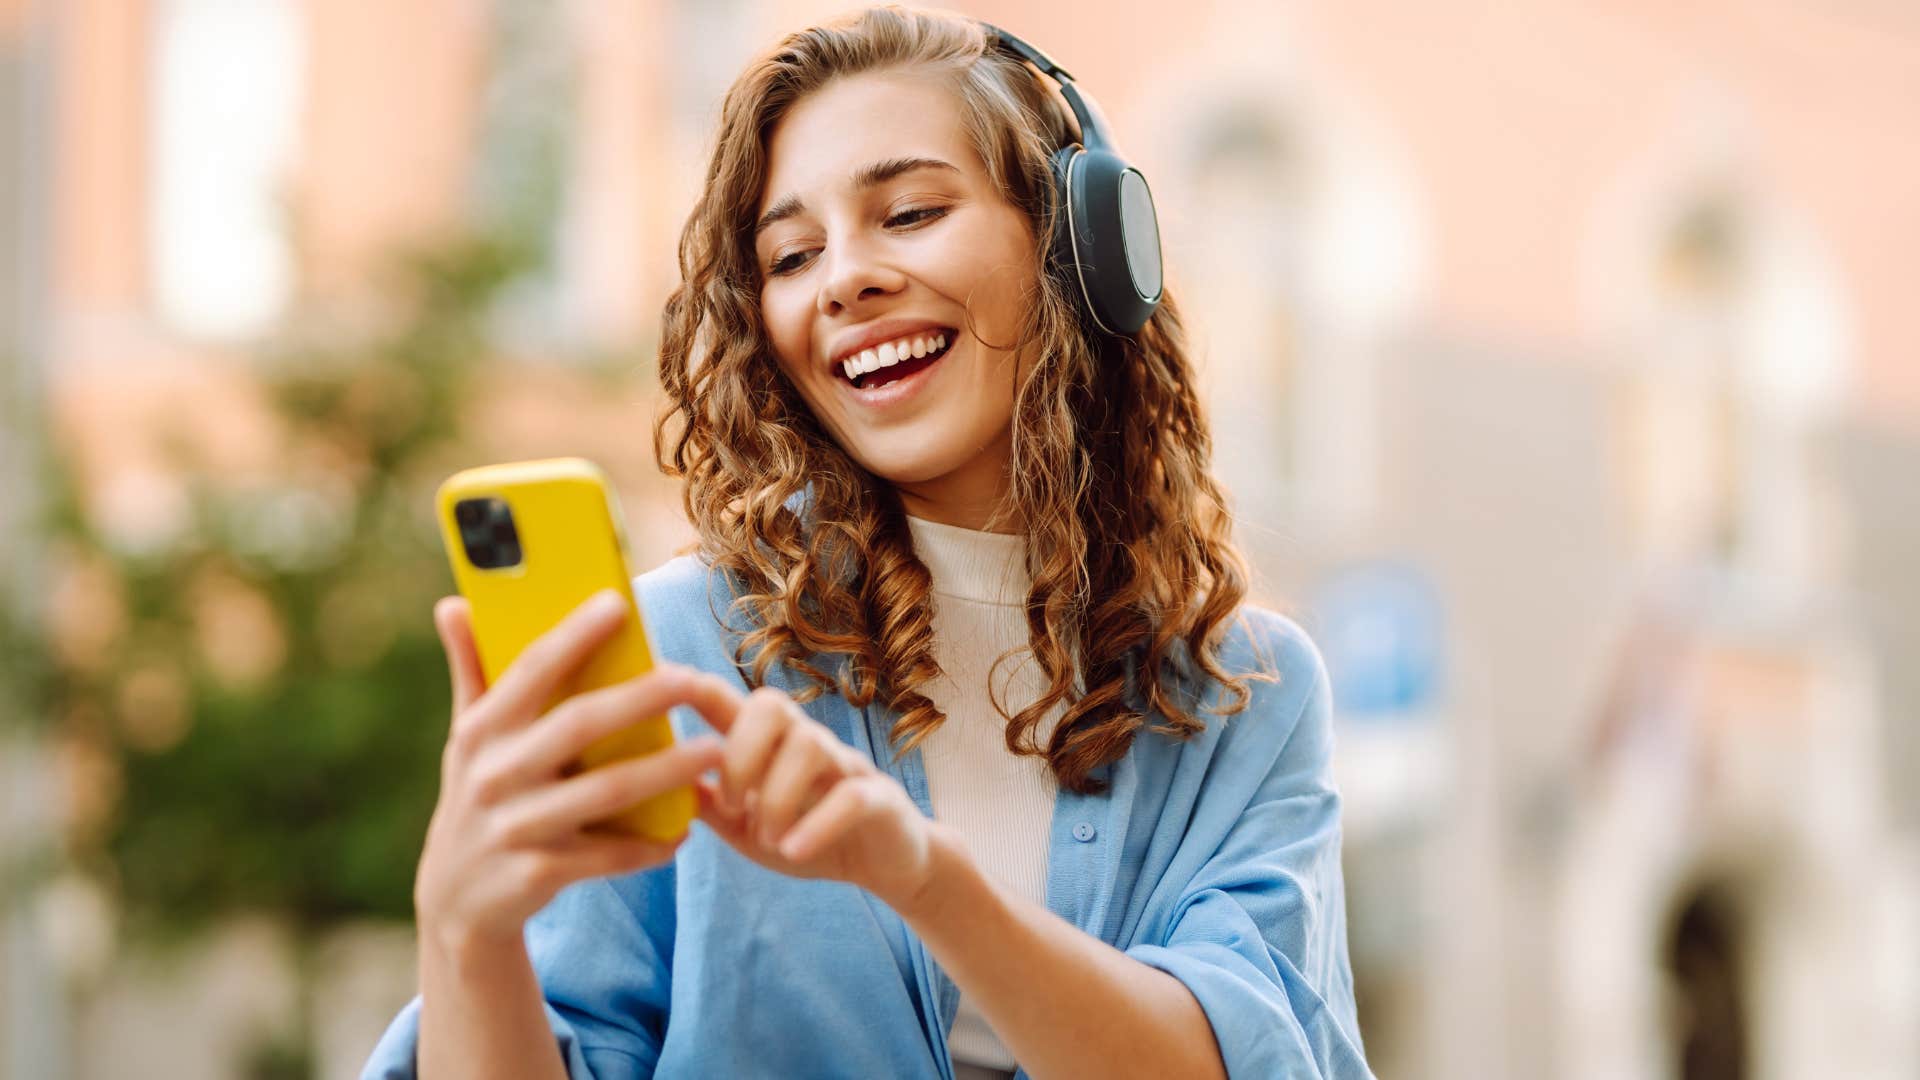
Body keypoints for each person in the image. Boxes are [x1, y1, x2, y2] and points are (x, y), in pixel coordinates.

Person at [363, 7, 1371, 1078]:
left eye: (911, 211)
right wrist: (463, 936)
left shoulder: (1241, 696)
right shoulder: (672, 660)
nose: (844, 278)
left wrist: (921, 878)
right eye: (792, 254)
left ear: (1080, 245)